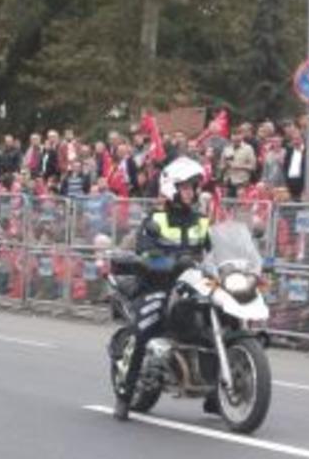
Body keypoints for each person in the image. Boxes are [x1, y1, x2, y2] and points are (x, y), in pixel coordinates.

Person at [112, 156, 211, 421]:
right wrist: (172, 264)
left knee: (220, 322)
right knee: (143, 330)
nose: (191, 192)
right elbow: (146, 256)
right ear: (171, 188)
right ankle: (124, 394)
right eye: (186, 187)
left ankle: (216, 395)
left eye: (193, 187)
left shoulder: (202, 221)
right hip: (158, 286)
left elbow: (215, 252)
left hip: (193, 286)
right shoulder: (155, 220)